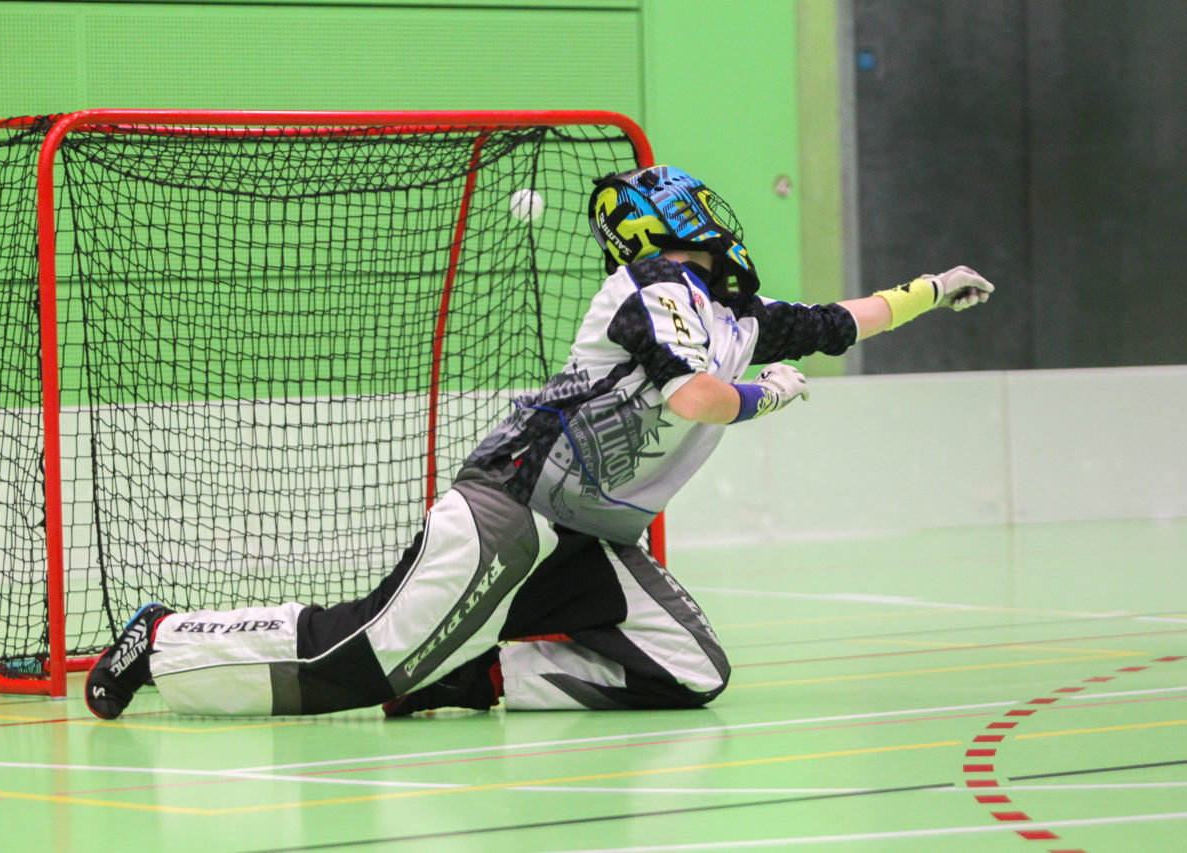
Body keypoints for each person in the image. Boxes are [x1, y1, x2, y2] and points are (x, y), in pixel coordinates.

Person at [85, 165, 993, 720]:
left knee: (690, 668)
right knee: (352, 664)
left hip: (592, 536)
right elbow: (701, 397)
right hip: (514, 506)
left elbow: (839, 319)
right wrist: (764, 395)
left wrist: (929, 288)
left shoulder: (736, 315)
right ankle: (160, 641)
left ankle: (469, 674)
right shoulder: (650, 286)